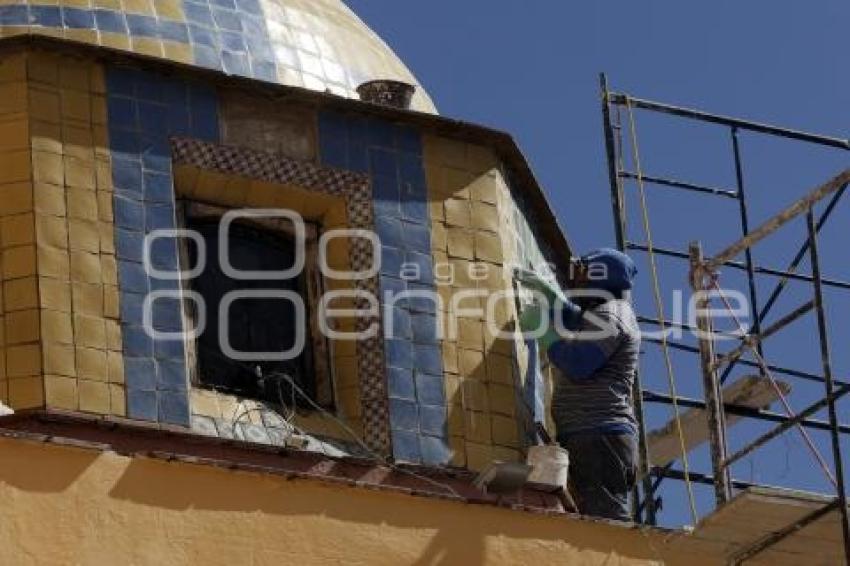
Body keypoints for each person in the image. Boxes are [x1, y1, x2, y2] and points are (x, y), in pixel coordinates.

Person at [517, 248, 640, 522]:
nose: (578, 283)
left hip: (600, 437)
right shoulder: (607, 311)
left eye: (584, 275)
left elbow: (579, 363)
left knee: (606, 524)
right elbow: (578, 319)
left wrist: (545, 332)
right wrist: (553, 298)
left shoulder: (613, 314)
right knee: (588, 519)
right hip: (591, 435)